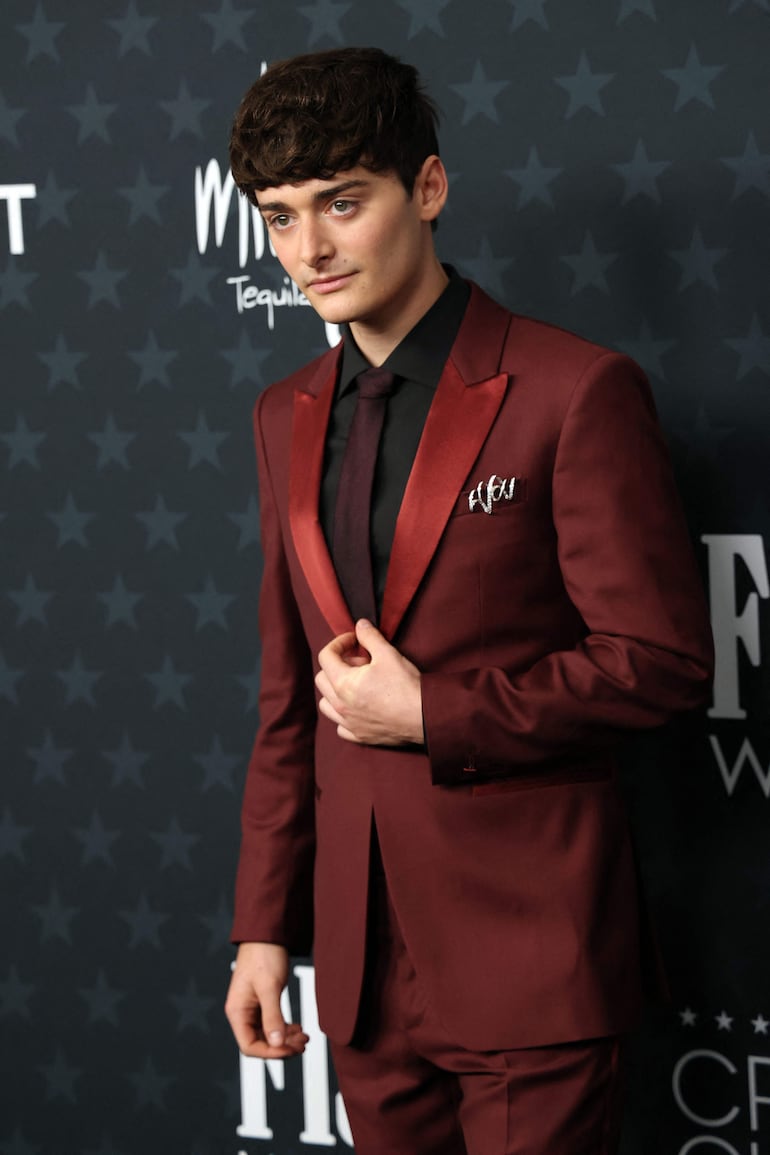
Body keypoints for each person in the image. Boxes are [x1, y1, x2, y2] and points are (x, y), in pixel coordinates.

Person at [224, 46, 713, 1155]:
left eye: (342, 202)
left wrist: (435, 713)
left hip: (528, 951)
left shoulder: (573, 390)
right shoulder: (282, 413)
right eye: (280, 217)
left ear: (429, 188)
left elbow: (661, 660)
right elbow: (287, 701)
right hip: (359, 975)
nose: (309, 251)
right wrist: (263, 927)